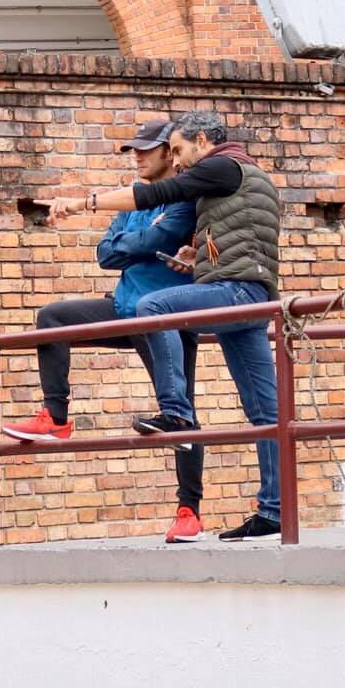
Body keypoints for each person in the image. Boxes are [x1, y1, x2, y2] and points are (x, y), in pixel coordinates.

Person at [47, 111, 282, 541]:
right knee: (267, 412)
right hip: (251, 296)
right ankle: (275, 512)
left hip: (238, 294)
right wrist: (198, 257)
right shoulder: (241, 176)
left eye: (178, 150)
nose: (176, 161)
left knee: (154, 305)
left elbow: (156, 194)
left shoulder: (223, 164)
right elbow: (243, 236)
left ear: (203, 140)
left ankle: (175, 414)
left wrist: (82, 204)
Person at [8, 121, 207, 540]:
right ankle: (56, 417)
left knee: (181, 413)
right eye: (134, 150)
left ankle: (189, 512)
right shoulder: (129, 203)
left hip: (165, 319)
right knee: (52, 318)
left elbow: (157, 239)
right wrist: (146, 240)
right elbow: (106, 253)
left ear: (168, 153)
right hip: (123, 307)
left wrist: (141, 242)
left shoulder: (184, 199)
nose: (137, 157)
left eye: (146, 149)